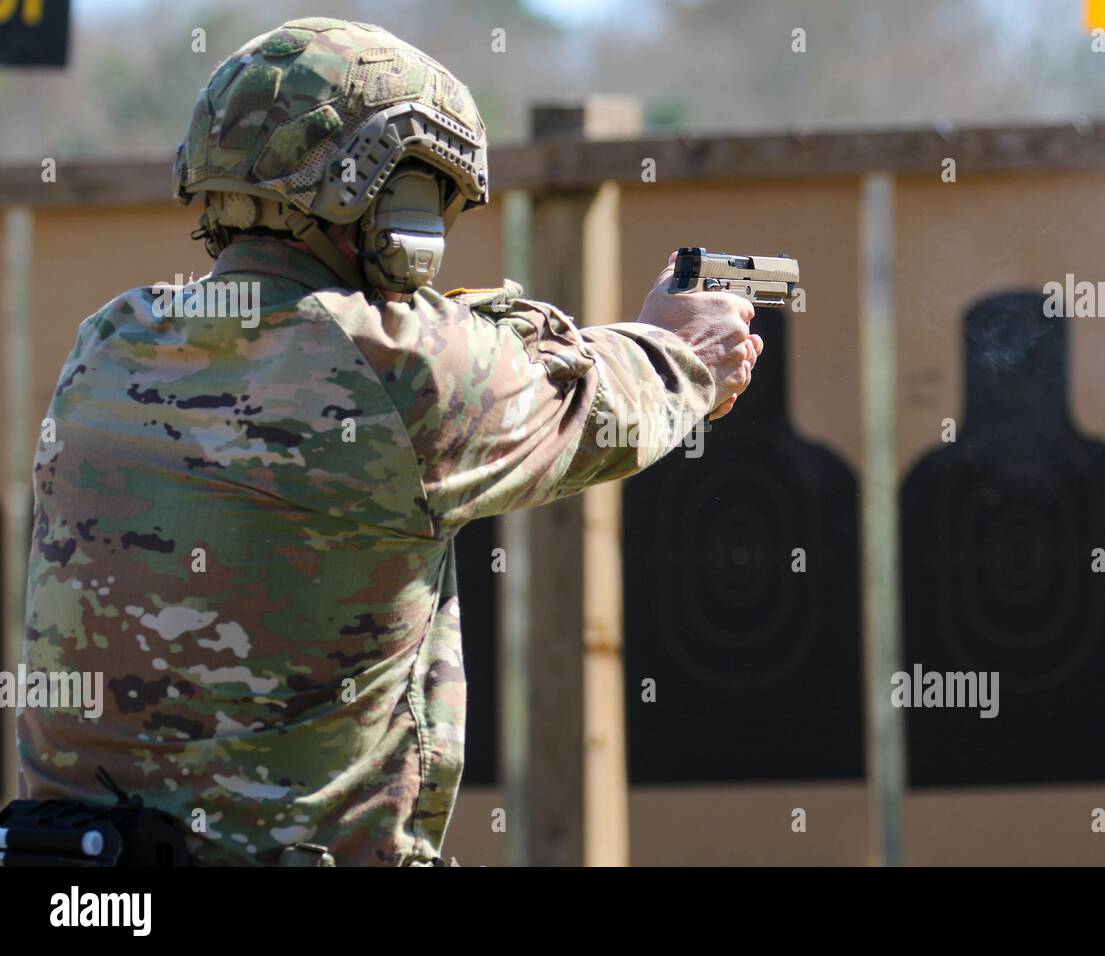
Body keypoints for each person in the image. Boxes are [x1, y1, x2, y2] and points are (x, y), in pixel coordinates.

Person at [18, 17, 760, 866]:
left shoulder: (109, 341)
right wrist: (685, 347)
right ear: (380, 194)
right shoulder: (401, 372)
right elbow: (606, 407)